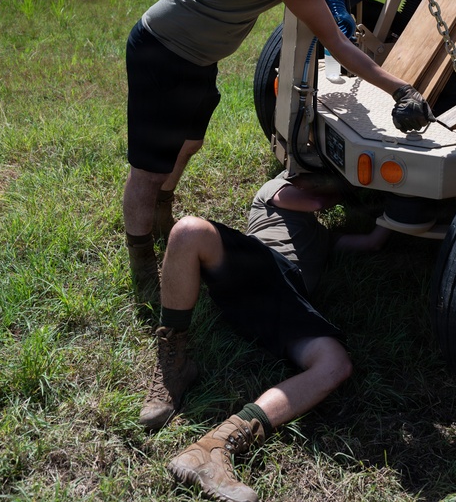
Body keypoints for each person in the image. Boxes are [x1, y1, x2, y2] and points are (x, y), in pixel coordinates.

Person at [123, 0, 432, 289]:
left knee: (189, 142)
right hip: (162, 51)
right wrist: (400, 89)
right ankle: (142, 269)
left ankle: (162, 210)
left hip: (199, 56)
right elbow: (337, 43)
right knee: (148, 170)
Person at [139, 171, 389, 502]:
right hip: (259, 266)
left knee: (335, 364)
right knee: (188, 230)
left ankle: (215, 447)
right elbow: (316, 201)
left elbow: (370, 242)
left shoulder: (322, 236)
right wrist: (352, 185)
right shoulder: (274, 190)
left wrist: (394, 215)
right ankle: (174, 366)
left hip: (286, 299)